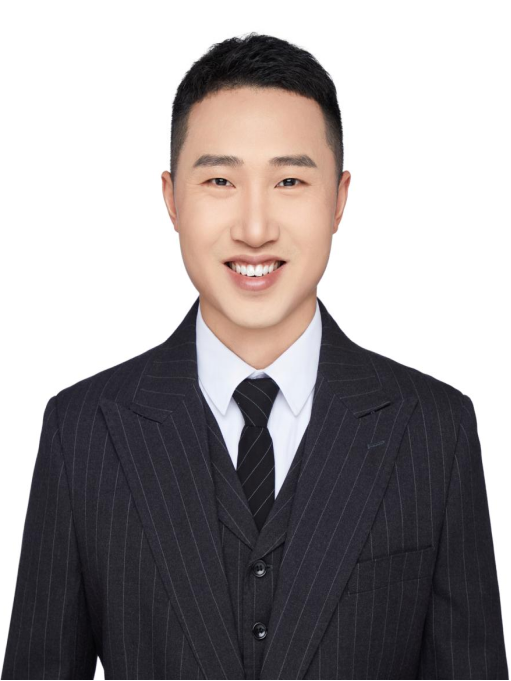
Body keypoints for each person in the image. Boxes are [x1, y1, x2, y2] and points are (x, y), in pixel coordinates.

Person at [1, 32, 508, 681]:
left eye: (290, 180)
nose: (255, 228)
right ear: (171, 199)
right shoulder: (82, 430)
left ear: (339, 199)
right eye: (219, 179)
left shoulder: (434, 429)